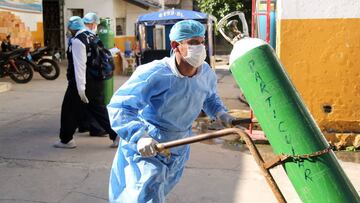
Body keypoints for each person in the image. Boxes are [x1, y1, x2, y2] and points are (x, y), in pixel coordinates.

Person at [107, 20, 234, 202]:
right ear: (175, 45)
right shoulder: (155, 73)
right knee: (146, 196)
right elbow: (121, 106)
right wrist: (139, 135)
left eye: (202, 41)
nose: (200, 47)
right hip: (150, 145)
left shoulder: (205, 72)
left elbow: (209, 97)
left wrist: (221, 114)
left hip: (180, 145)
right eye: (193, 43)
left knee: (159, 191)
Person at [54, 16, 119, 149]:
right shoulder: (91, 35)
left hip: (83, 81)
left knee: (68, 110)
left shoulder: (78, 41)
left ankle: (66, 140)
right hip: (96, 80)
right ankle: (117, 135)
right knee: (98, 109)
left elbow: (80, 66)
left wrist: (81, 89)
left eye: (69, 28)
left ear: (72, 28)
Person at [77, 12, 107, 137]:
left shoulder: (81, 37)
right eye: (95, 24)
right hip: (93, 76)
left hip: (89, 76)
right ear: (92, 24)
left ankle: (84, 125)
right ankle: (102, 129)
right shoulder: (91, 37)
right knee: (96, 104)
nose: (96, 26)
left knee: (86, 103)